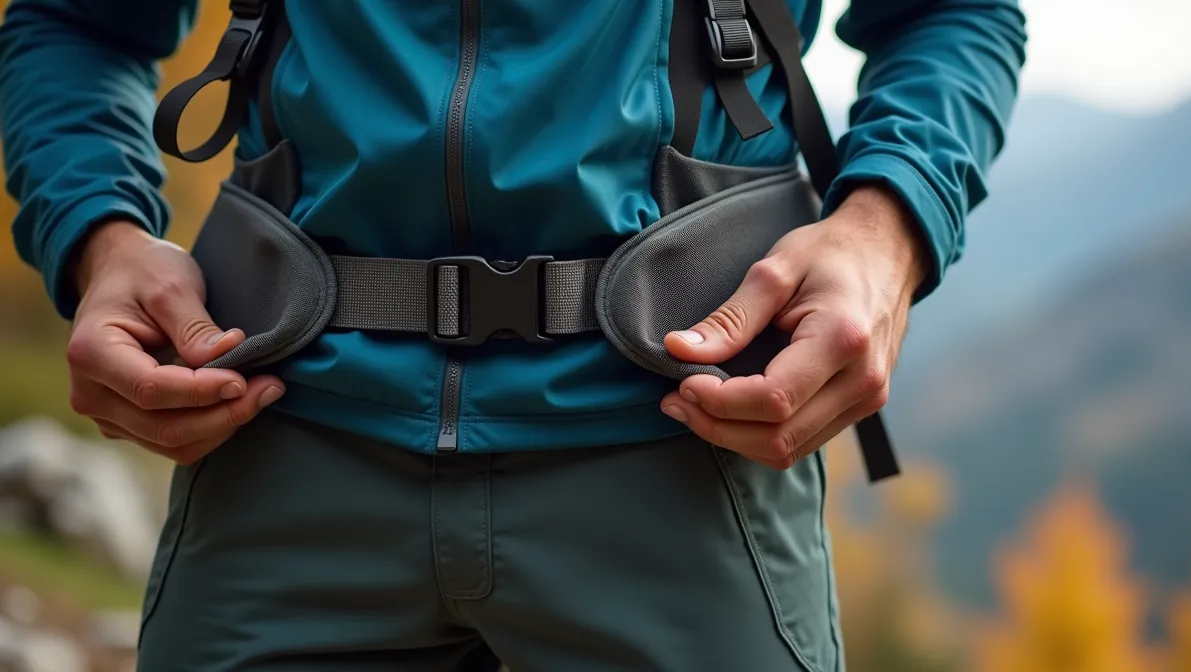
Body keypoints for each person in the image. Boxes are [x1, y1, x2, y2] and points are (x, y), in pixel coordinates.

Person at [0, 0, 1025, 669]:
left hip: (679, 452)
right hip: (283, 440)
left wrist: (887, 227)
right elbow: (77, 22)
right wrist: (100, 236)